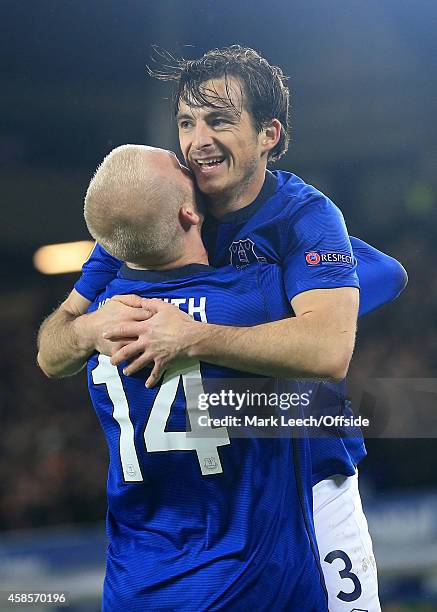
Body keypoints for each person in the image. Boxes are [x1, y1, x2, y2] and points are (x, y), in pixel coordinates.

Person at [37, 46, 407, 610]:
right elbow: (54, 346)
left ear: (268, 134)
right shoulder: (158, 213)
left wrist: (207, 327)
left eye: (219, 120)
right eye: (187, 122)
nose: (197, 140)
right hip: (213, 487)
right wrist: (90, 330)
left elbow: (361, 305)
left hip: (310, 468)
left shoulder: (303, 216)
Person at [82, 144, 329, 610]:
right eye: (179, 167)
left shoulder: (97, 320)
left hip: (134, 591)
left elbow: (52, 349)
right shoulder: (252, 299)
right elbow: (382, 278)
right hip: (250, 585)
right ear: (189, 213)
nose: (189, 158)